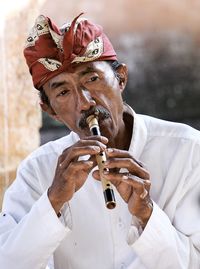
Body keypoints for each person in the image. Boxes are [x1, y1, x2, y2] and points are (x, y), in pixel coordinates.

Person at [0, 12, 199, 269]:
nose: (84, 102)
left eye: (92, 79)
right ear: (50, 111)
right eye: (62, 92)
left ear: (121, 78)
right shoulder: (37, 172)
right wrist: (53, 202)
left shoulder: (190, 151)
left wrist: (147, 214)